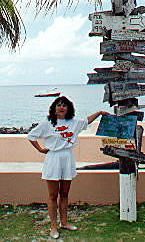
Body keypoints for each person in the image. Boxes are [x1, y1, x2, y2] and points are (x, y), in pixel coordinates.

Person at [27, 96, 109, 239]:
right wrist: (40, 149)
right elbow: (31, 136)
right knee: (53, 195)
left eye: (64, 105)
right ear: (54, 108)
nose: (61, 107)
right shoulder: (47, 123)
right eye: (58, 105)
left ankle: (64, 222)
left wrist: (100, 112)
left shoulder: (73, 122)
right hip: (53, 158)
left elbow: (86, 121)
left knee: (64, 194)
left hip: (68, 158)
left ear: (68, 108)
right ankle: (53, 226)